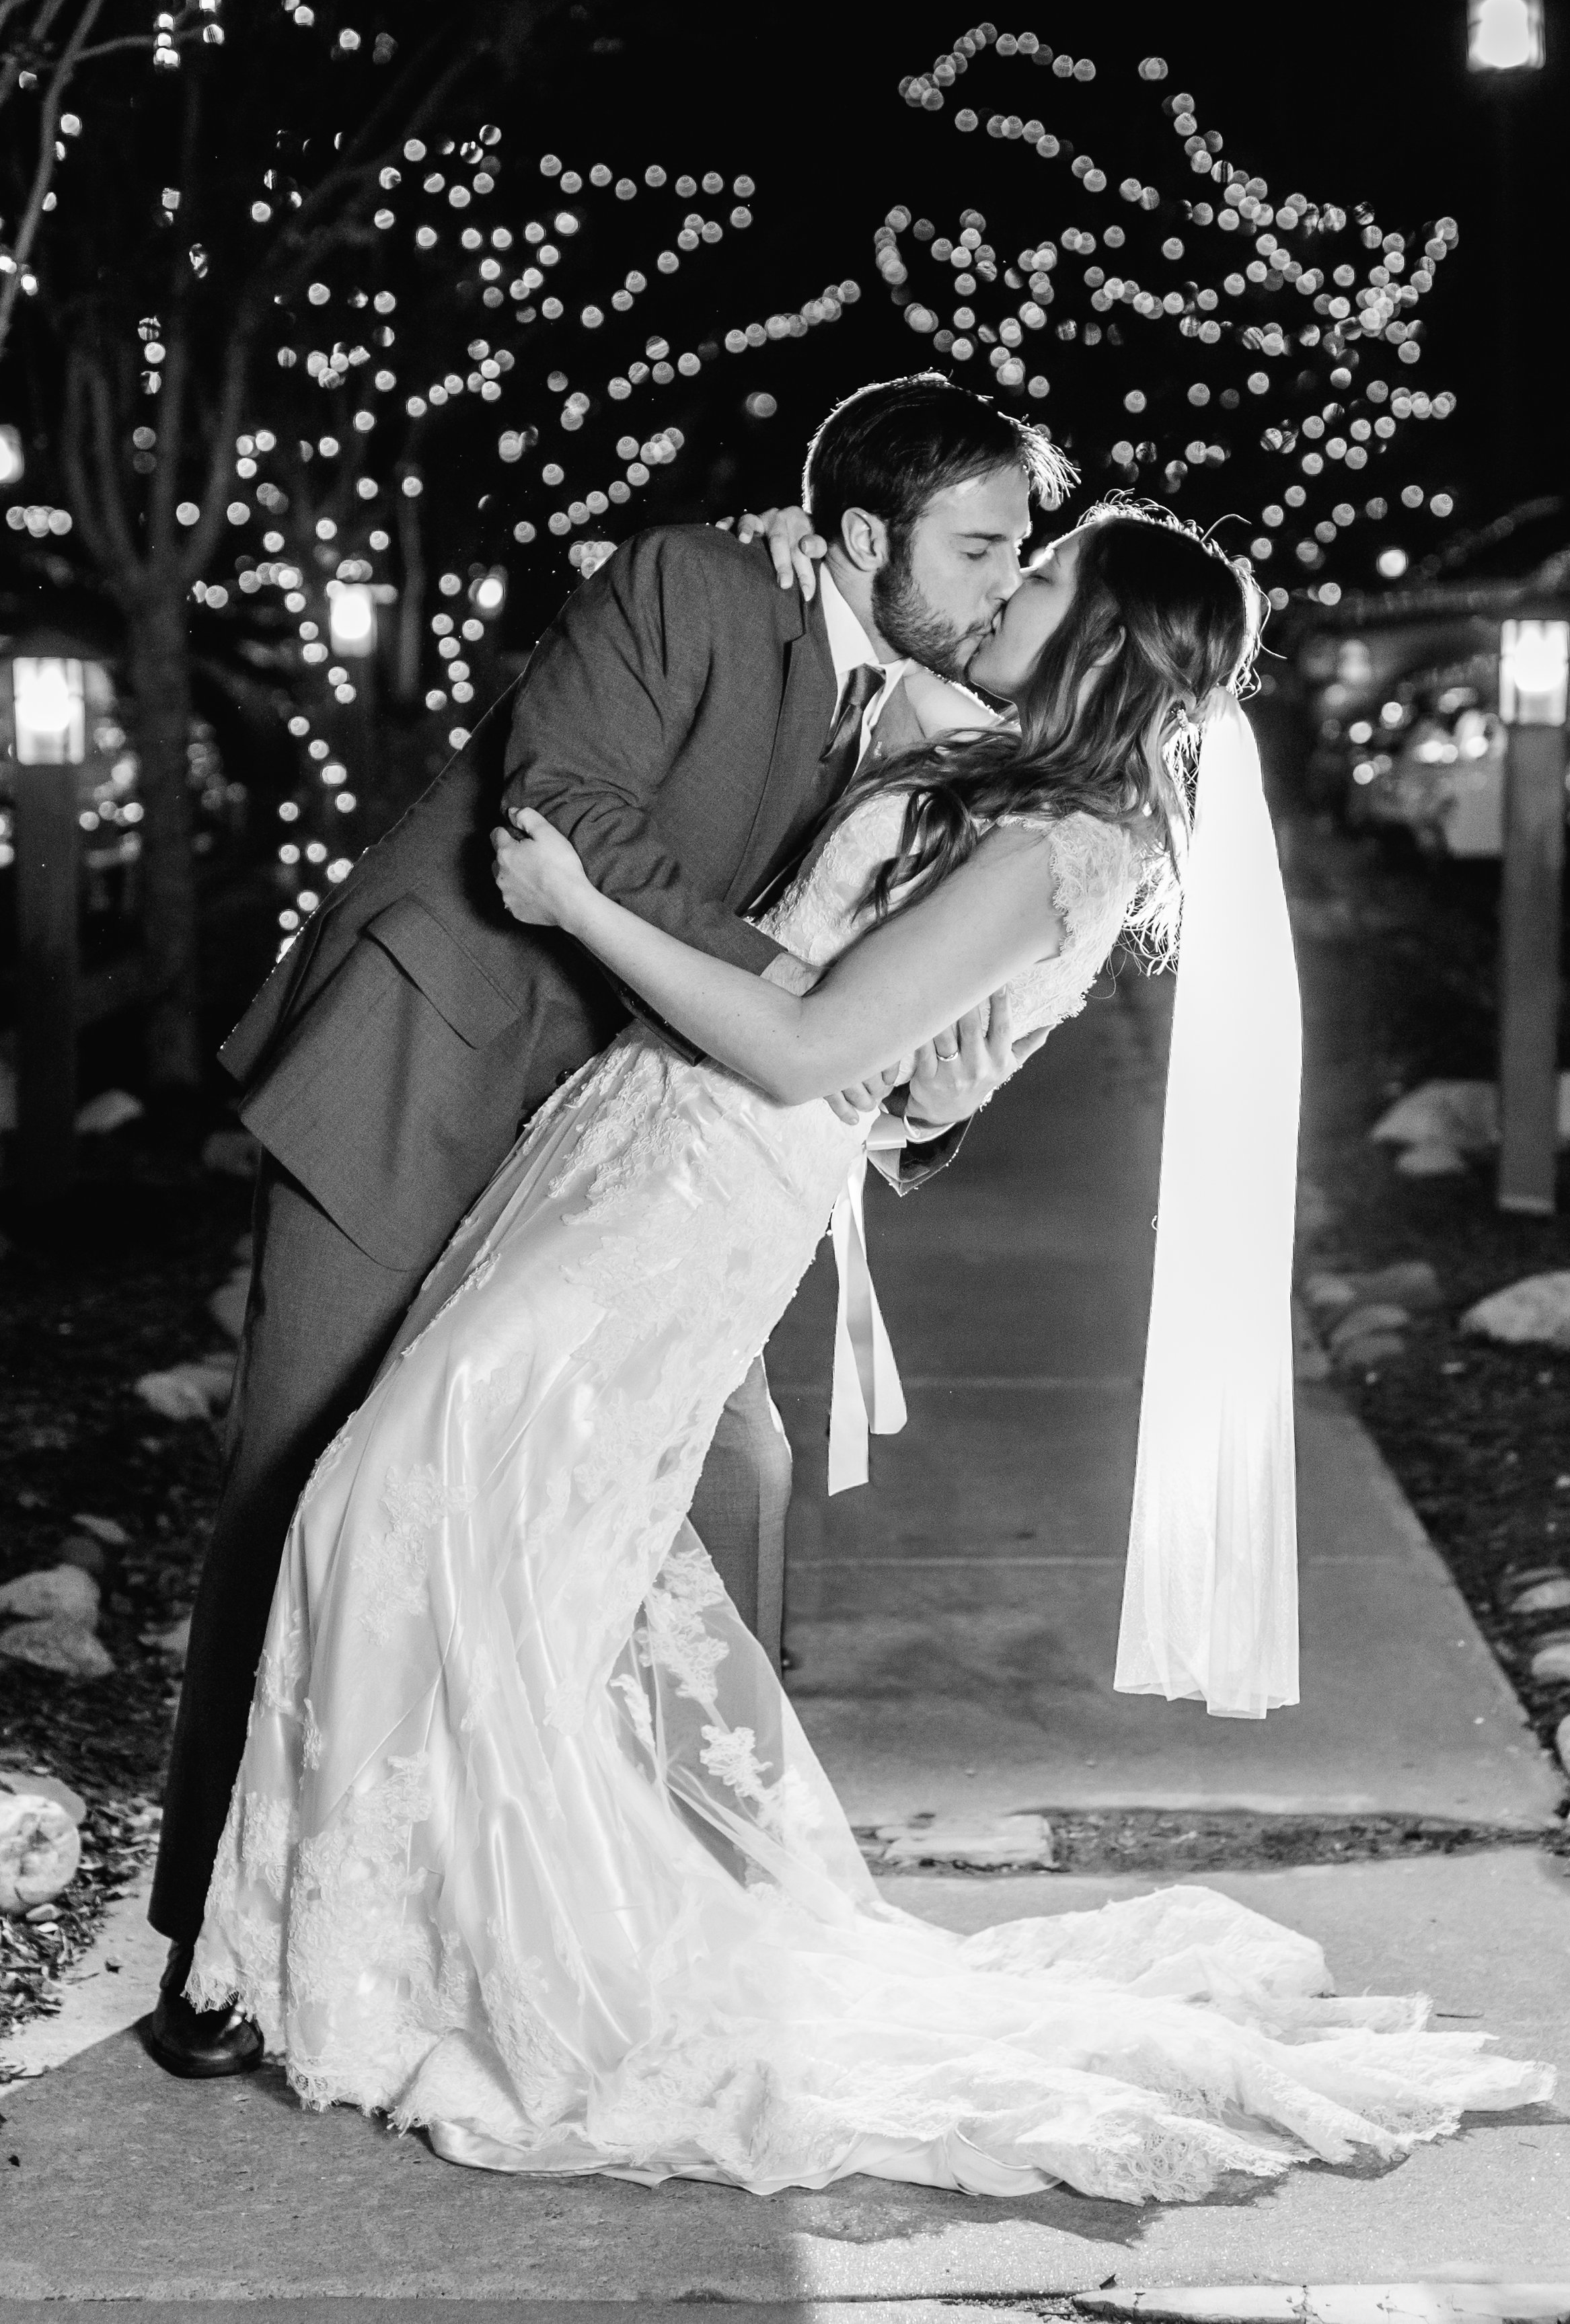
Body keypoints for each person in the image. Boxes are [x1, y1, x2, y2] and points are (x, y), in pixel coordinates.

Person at [188, 502, 1551, 2198]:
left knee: (397, 1500)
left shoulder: (1066, 850)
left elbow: (810, 1044)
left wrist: (578, 903)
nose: (1015, 583)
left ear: (1102, 644)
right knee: (488, 1539)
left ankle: (468, 1963)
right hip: (634, 1142)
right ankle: (434, 1941)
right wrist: (804, 549)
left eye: (1041, 574)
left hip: (704, 1187)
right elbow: (889, 984)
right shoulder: (1008, 775)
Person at [147, 375, 1069, 2079]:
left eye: (1023, 553)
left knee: (701, 1491)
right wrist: (810, 1005)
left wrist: (912, 1073)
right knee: (310, 1474)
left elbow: (925, 967)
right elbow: (564, 811)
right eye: (981, 546)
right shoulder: (687, 581)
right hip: (432, 1064)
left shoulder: (932, 714)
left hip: (634, 1151)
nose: (1007, 581)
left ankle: (583, 1906)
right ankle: (221, 1940)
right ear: (861, 535)